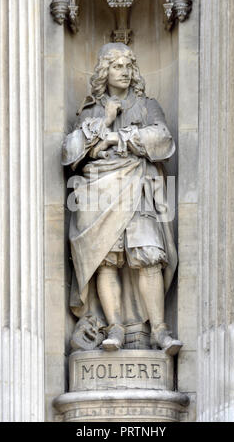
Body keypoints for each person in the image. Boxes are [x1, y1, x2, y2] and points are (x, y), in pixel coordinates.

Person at [62, 43, 181, 355]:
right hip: (98, 193)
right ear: (105, 70)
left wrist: (118, 137)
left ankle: (158, 329)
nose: (125, 72)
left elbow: (164, 139)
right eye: (117, 66)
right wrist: (104, 120)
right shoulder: (89, 110)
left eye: (129, 66)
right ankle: (114, 325)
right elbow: (69, 152)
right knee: (106, 257)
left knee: (148, 253)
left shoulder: (146, 106)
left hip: (138, 188)